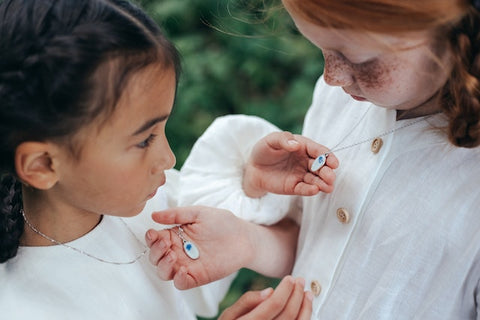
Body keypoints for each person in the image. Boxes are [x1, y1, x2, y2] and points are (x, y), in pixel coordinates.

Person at [147, 0, 480, 319]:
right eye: (320, 48)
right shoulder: (341, 100)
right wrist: (246, 242)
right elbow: (324, 241)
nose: (332, 77)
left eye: (358, 59)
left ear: (452, 32)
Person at [0, 0, 319, 319]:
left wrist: (249, 189)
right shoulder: (21, 305)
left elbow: (296, 248)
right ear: (43, 165)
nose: (168, 159)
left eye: (162, 128)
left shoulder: (155, 208)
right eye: (143, 140)